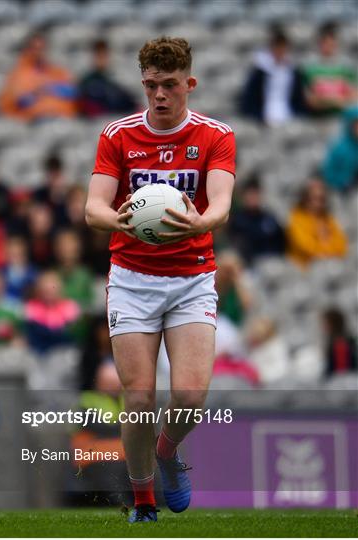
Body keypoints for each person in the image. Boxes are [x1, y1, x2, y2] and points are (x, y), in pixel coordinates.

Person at [85, 37, 235, 523]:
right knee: (140, 396)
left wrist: (203, 223)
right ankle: (144, 501)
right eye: (151, 85)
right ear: (143, 84)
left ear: (189, 83)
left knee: (190, 396)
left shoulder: (216, 135)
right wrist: (118, 221)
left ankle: (167, 454)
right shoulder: (118, 134)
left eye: (170, 85)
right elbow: (93, 208)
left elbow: (222, 203)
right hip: (132, 278)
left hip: (192, 277)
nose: (160, 94)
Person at [0, 32, 77, 122]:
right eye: (35, 48)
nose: (39, 52)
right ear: (28, 49)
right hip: (34, 121)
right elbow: (12, 103)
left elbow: (73, 93)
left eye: (42, 48)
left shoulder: (57, 72)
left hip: (61, 117)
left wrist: (54, 89)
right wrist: (37, 93)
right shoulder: (18, 75)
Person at [240, 26, 305, 125]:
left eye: (283, 47)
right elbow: (250, 98)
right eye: (277, 47)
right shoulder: (260, 72)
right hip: (265, 117)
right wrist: (258, 116)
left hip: (288, 116)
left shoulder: (293, 71)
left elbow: (298, 97)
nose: (280, 51)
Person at [286, 177, 348, 268]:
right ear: (305, 198)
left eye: (322, 199)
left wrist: (326, 247)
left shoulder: (328, 218)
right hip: (305, 271)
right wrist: (326, 244)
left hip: (329, 267)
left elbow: (342, 246)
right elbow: (307, 248)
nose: (319, 203)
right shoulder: (296, 219)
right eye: (314, 198)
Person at [302, 21, 357, 117]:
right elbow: (311, 101)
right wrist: (337, 101)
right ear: (319, 44)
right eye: (325, 43)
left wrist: (324, 100)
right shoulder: (309, 69)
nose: (328, 47)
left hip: (341, 119)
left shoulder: (347, 68)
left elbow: (354, 97)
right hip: (317, 118)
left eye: (331, 43)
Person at [228, 174, 285, 264]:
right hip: (248, 264)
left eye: (255, 193)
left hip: (273, 261)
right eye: (250, 194)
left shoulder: (270, 218)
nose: (253, 198)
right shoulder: (237, 220)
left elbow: (280, 242)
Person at [78, 39, 137, 118]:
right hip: (96, 122)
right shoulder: (86, 81)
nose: (102, 60)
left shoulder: (116, 79)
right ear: (93, 57)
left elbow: (129, 103)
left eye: (104, 56)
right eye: (99, 56)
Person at [322, 105, 358, 192]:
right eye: (356, 125)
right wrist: (344, 182)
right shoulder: (339, 148)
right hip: (343, 192)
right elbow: (329, 173)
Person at [322, 308, 357, 377]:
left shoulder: (340, 341)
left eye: (326, 323)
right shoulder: (337, 339)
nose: (323, 326)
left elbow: (341, 370)